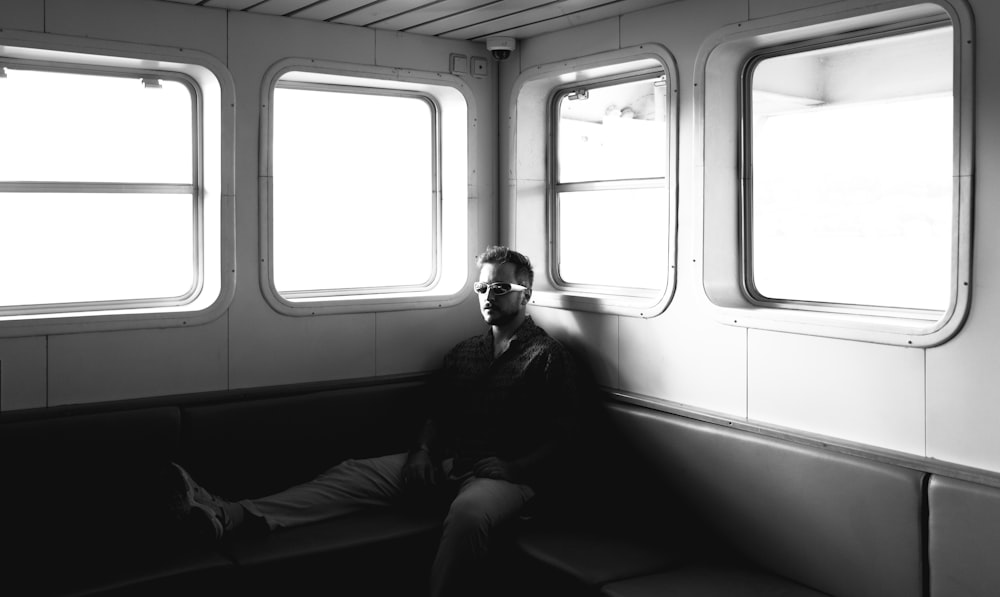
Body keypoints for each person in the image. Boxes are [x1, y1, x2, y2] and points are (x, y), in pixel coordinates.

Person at [170, 245, 581, 597]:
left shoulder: (546, 355)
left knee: (470, 516)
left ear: (524, 295)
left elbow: (566, 435)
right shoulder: (465, 352)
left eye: (500, 288)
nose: (488, 295)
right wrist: (420, 453)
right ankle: (228, 515)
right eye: (482, 287)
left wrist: (515, 467)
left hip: (503, 476)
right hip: (448, 460)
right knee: (351, 475)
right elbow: (437, 413)